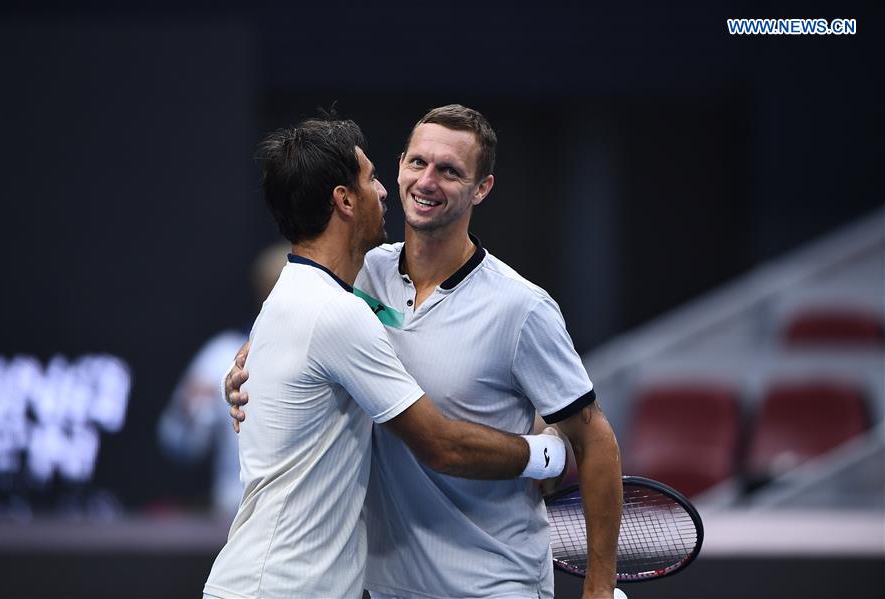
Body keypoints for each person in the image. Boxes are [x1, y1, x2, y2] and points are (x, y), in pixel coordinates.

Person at [227, 105, 623, 599]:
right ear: (397, 167)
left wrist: (599, 589)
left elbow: (594, 440)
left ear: (482, 188)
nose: (426, 181)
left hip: (493, 585)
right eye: (417, 163)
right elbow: (304, 335)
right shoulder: (358, 279)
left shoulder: (522, 308)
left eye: (450, 170)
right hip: (384, 587)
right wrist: (246, 368)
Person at [157, 242, 288, 516]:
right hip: (237, 516)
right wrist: (190, 412)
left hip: (312, 517)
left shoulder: (333, 346)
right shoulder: (221, 356)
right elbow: (178, 443)